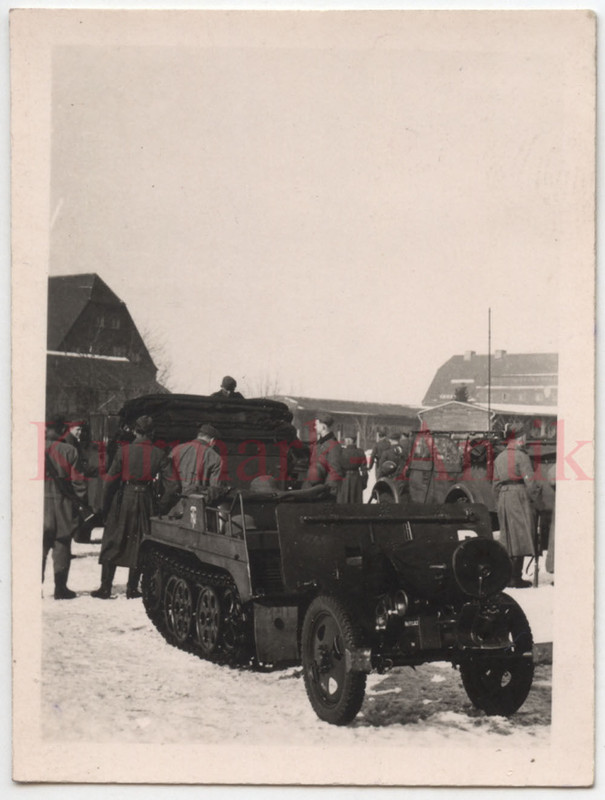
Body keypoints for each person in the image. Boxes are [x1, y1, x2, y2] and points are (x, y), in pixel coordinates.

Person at [91, 415, 172, 599]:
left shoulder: (123, 451)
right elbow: (173, 486)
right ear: (152, 433)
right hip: (146, 499)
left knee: (113, 539)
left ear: (135, 431)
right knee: (140, 541)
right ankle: (132, 588)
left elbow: (109, 482)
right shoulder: (159, 454)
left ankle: (105, 588)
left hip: (123, 499)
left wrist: (105, 507)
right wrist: (160, 507)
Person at [43, 415, 88, 599]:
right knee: (61, 545)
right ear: (63, 430)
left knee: (39, 548)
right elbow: (79, 484)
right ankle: (60, 588)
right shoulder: (70, 451)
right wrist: (80, 502)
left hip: (39, 504)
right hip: (62, 504)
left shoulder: (31, 448)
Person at [492, 423, 542, 589]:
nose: (526, 440)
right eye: (524, 437)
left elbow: (495, 484)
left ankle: (507, 576)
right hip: (518, 496)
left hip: (503, 497)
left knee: (508, 537)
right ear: (519, 438)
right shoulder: (522, 456)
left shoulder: (499, 458)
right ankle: (515, 577)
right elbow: (530, 482)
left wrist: (499, 502)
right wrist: (536, 499)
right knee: (520, 535)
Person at [165, 423, 224, 515]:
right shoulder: (215, 457)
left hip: (173, 509)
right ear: (212, 441)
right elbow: (214, 489)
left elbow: (167, 480)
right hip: (198, 512)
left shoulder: (176, 450)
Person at [303, 413, 344, 500]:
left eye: (317, 424)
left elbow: (335, 471)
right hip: (313, 488)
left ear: (323, 427)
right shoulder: (319, 444)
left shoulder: (333, 445)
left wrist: (329, 492)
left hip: (323, 492)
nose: (315, 427)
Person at [337, 435, 368, 503]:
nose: (346, 441)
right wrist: (364, 483)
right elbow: (364, 470)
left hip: (344, 479)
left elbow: (337, 468)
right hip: (357, 479)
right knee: (356, 502)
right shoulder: (360, 452)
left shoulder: (341, 452)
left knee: (344, 502)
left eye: (347, 439)